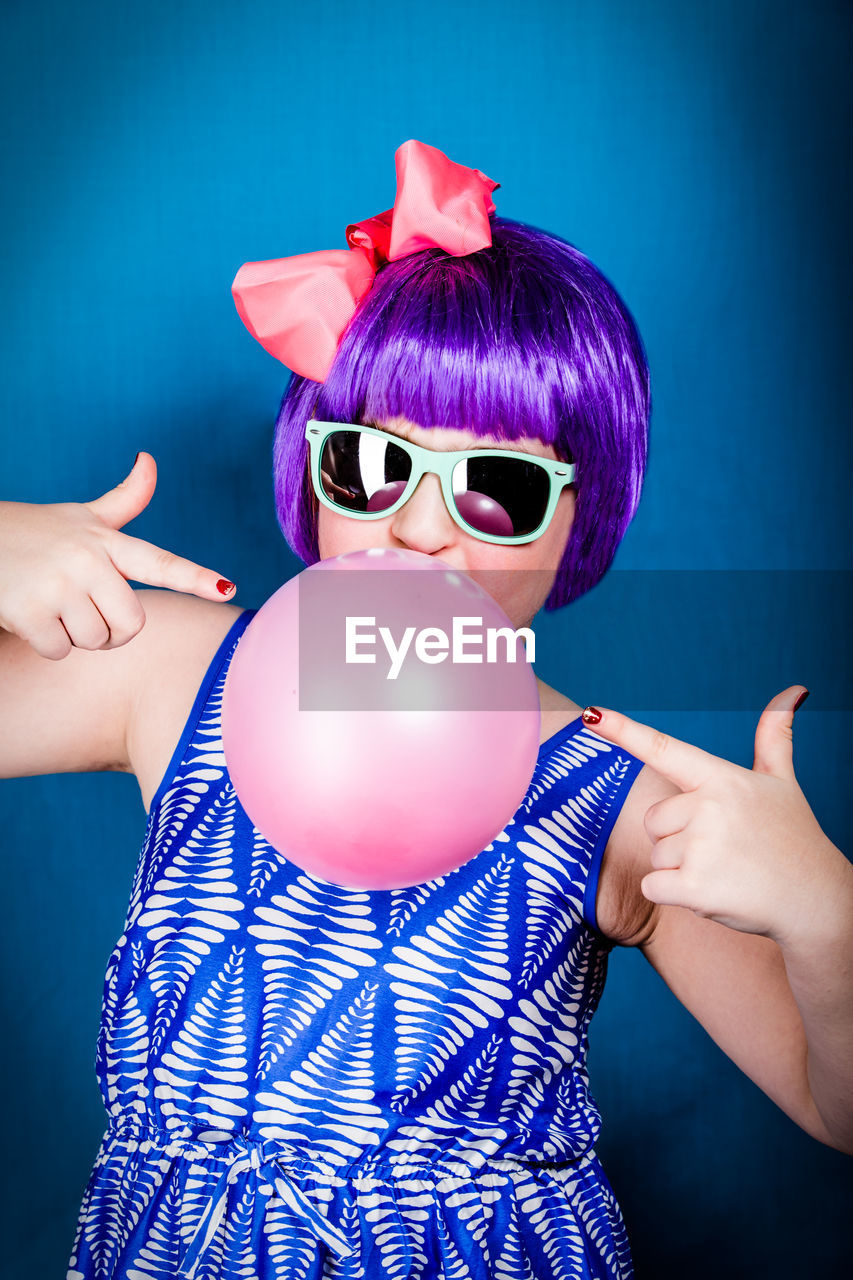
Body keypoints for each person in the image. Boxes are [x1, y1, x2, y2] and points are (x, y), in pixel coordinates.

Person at [0, 139, 850, 1280]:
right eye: (370, 465)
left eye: (495, 487)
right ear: (313, 470)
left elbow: (831, 1102)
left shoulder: (623, 798)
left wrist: (830, 921)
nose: (417, 527)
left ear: (578, 521)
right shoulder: (177, 669)